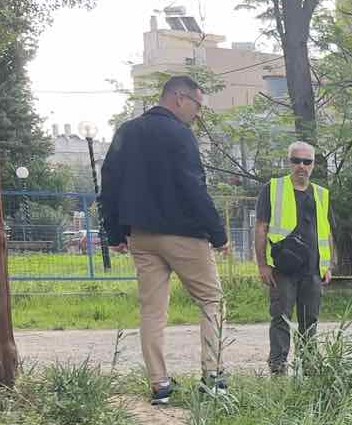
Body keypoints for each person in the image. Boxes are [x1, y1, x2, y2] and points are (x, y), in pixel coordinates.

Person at [99, 75, 228, 405]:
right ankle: (213, 377)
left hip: (142, 236)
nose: (198, 113)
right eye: (197, 105)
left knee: (152, 311)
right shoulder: (180, 134)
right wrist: (218, 234)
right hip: (184, 236)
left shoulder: (127, 131)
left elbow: (109, 182)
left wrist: (115, 232)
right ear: (179, 98)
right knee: (211, 301)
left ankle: (160, 385)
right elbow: (193, 186)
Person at [254, 141, 333, 375]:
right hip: (282, 270)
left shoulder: (321, 194)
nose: (301, 166)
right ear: (289, 162)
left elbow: (326, 232)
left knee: (310, 321)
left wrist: (327, 266)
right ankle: (278, 368)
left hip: (313, 271)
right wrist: (262, 265)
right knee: (281, 318)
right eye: (296, 161)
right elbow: (261, 227)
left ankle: (308, 366)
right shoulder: (273, 188)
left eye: (307, 162)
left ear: (313, 165)